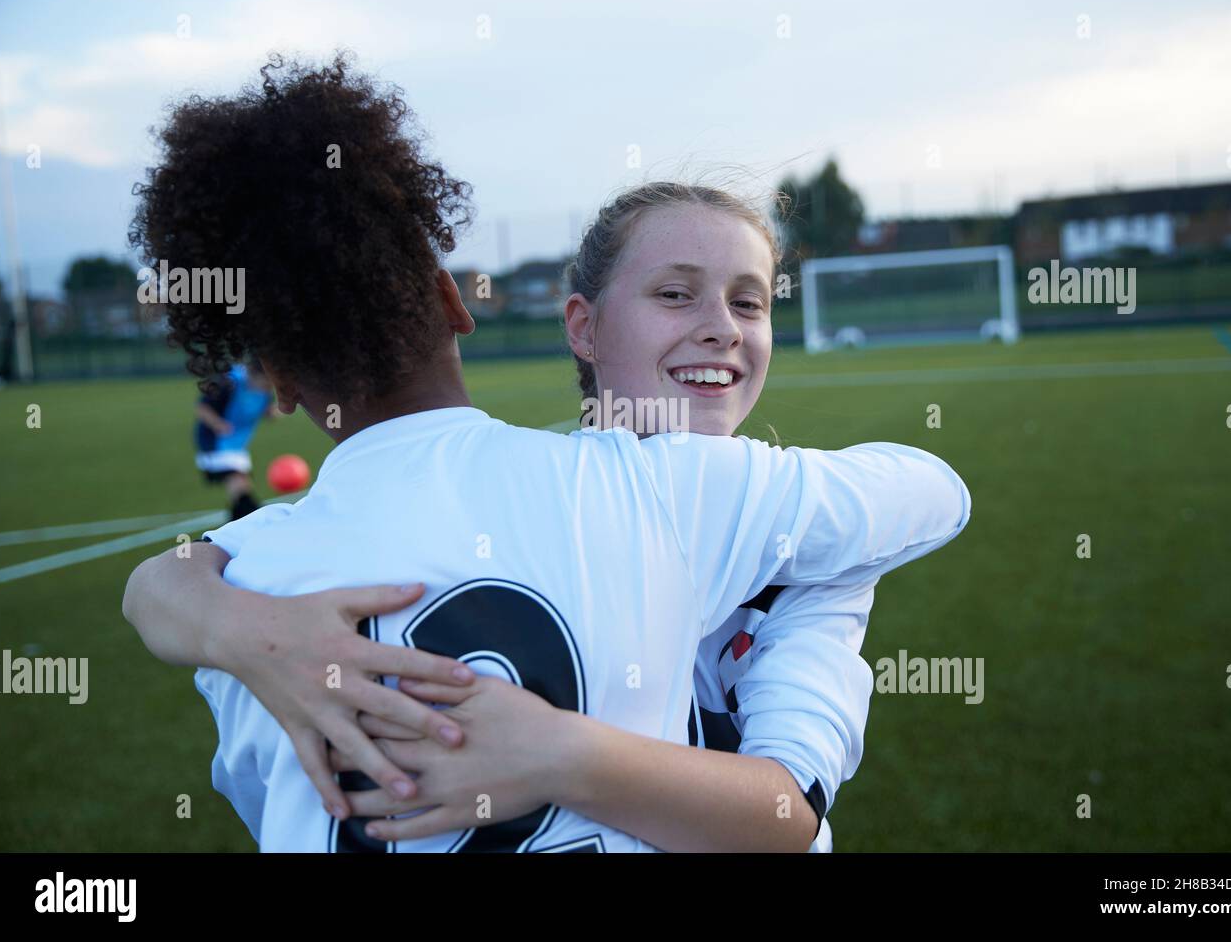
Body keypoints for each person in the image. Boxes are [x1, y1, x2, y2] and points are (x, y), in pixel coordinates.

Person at [123, 53, 971, 852]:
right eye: (675, 294)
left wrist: (222, 615)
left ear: (273, 380)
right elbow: (933, 493)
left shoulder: (250, 583)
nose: (718, 323)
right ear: (462, 306)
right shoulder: (645, 490)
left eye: (749, 302)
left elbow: (789, 809)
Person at [194, 360, 275, 520]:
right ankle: (254, 518)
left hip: (237, 447)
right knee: (239, 484)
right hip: (216, 445)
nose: (269, 387)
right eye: (267, 382)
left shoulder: (265, 391)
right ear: (254, 374)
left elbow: (267, 410)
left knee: (240, 488)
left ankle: (236, 523)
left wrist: (272, 413)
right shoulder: (228, 383)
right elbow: (202, 408)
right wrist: (218, 424)